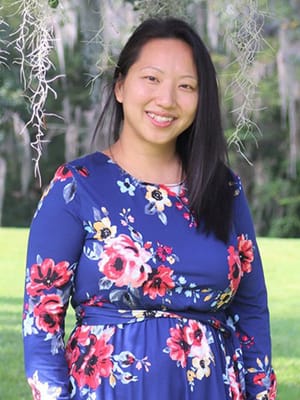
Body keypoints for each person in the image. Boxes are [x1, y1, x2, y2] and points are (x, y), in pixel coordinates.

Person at [23, 17, 277, 400]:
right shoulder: (76, 187)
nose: (167, 100)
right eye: (152, 79)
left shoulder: (224, 188)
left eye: (186, 86)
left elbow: (251, 311)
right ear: (121, 85)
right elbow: (42, 321)